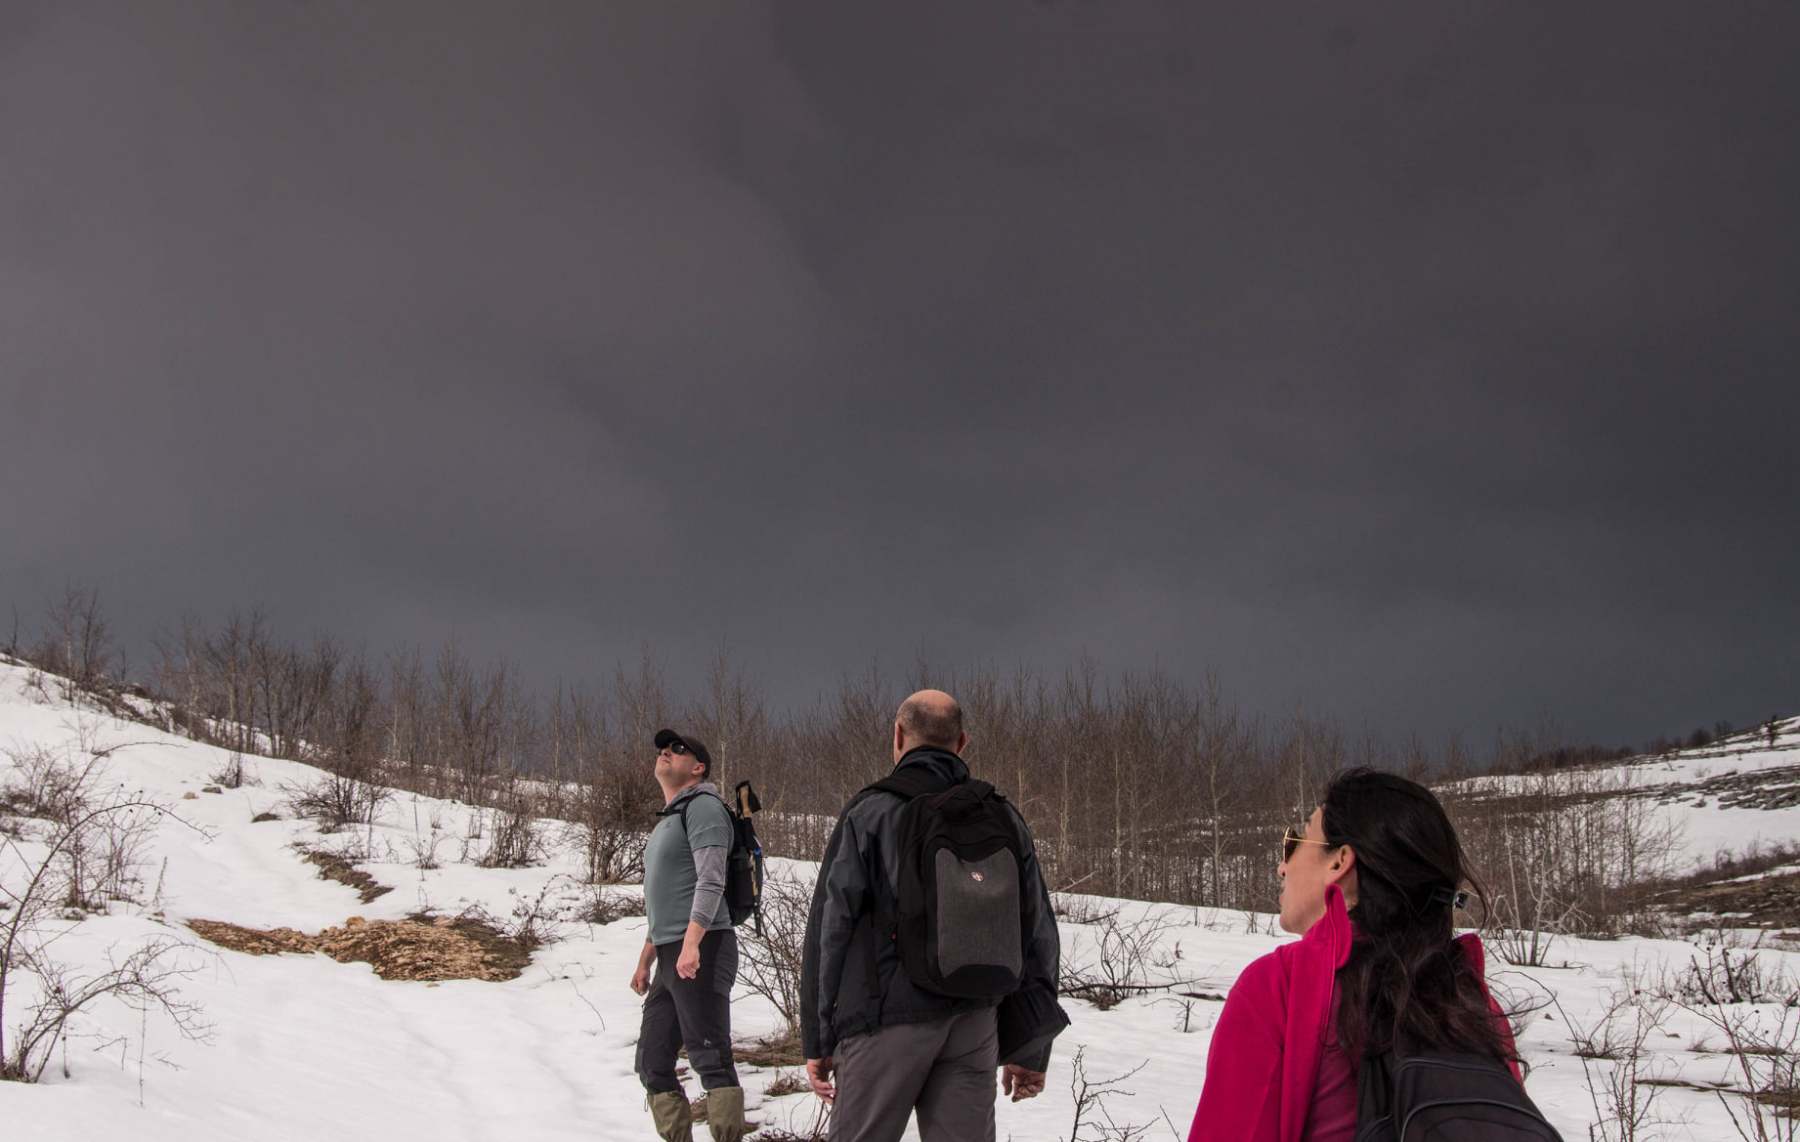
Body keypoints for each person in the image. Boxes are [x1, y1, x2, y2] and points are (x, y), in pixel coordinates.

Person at [1189, 768, 1524, 1142]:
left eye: (1295, 841)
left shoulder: (1279, 987)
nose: (1282, 866)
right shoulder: (1472, 1003)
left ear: (1339, 862)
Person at [801, 690, 1061, 1142]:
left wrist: (818, 1037)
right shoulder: (1001, 814)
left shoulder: (871, 811)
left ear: (898, 736)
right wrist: (1032, 1046)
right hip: (974, 1024)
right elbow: (1038, 933)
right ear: (962, 742)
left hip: (884, 1022)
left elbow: (830, 928)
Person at [633, 729, 746, 1142]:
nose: (666, 752)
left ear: (698, 768)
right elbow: (666, 897)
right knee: (652, 1061)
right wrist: (646, 959)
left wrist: (693, 943)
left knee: (709, 1054)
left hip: (705, 946)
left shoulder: (704, 808)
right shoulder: (670, 819)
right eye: (663, 748)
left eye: (677, 749)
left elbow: (711, 880)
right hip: (673, 954)